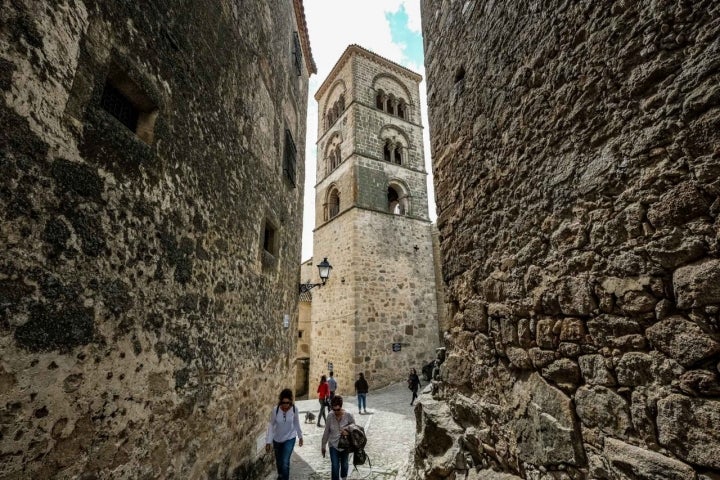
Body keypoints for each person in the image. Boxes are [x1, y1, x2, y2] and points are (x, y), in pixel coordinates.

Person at [265, 388, 303, 480]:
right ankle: (281, 475)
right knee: (279, 462)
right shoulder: (276, 410)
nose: (285, 405)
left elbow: (296, 423)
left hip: (290, 437)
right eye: (283, 403)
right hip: (277, 439)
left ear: (290, 402)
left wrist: (300, 436)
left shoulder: (294, 409)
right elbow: (271, 425)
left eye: (288, 403)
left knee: (285, 462)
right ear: (280, 401)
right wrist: (268, 441)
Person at [321, 395, 355, 480]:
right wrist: (323, 445)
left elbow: (354, 428)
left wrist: (347, 432)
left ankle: (344, 478)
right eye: (334, 409)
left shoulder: (348, 415)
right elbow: (326, 431)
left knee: (344, 464)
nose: (336, 411)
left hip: (345, 445)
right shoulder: (330, 416)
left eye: (338, 409)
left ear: (341, 406)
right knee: (335, 465)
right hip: (333, 444)